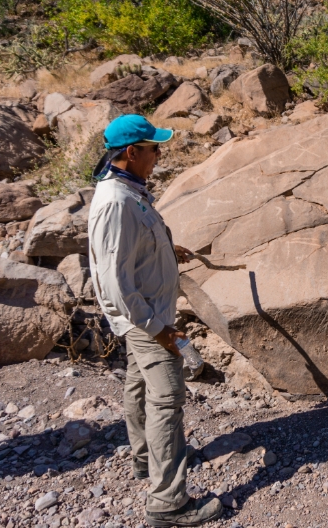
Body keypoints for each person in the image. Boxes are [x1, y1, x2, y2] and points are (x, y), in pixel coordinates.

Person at [88, 115, 223, 527]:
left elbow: (133, 246)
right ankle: (168, 503)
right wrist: (159, 329)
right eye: (154, 148)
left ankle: (145, 461)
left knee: (138, 384)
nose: (159, 155)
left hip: (144, 315)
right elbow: (113, 280)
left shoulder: (128, 189)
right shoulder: (114, 202)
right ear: (131, 152)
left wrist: (165, 246)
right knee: (167, 400)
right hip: (146, 318)